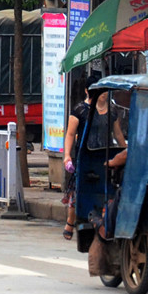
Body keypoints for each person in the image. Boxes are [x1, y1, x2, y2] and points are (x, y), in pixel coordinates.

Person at [62, 80, 94, 240]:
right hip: (83, 156)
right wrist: (67, 155)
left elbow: (117, 134)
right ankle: (70, 221)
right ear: (87, 91)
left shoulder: (111, 110)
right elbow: (69, 134)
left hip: (103, 155)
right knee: (78, 191)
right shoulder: (79, 111)